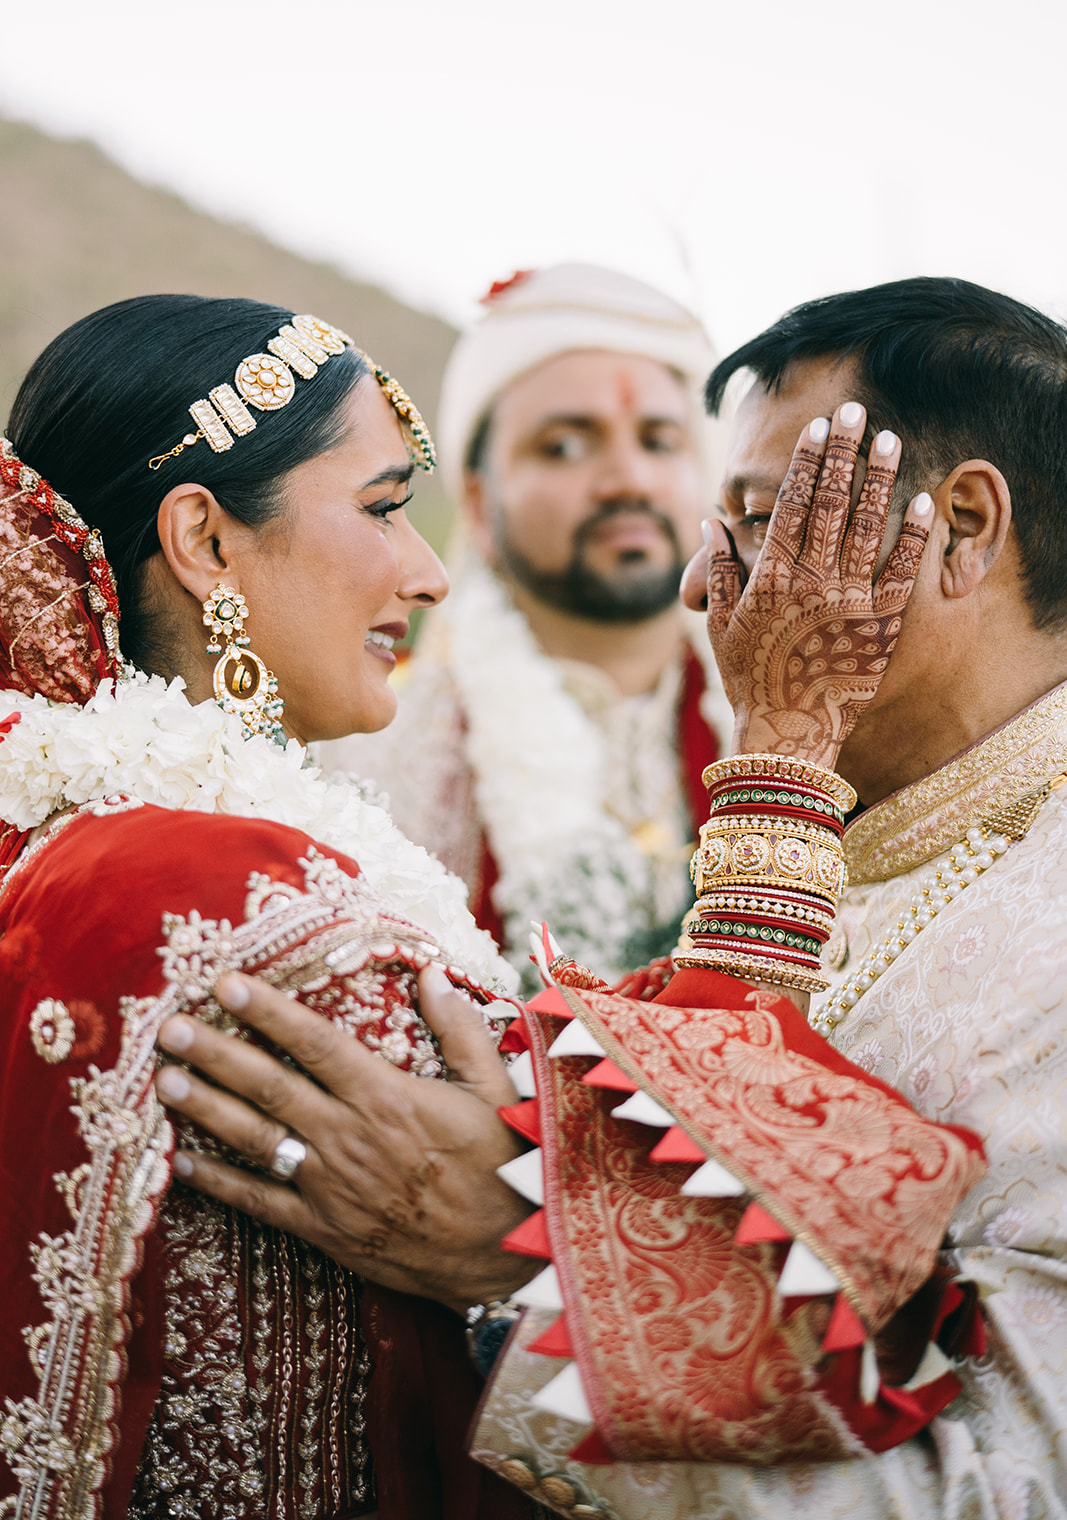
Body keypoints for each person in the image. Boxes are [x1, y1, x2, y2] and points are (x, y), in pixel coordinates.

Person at [159, 278, 1066, 1519]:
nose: (702, 589)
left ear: (963, 527)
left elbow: (1000, 1493)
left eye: (755, 522)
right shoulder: (866, 830)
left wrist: (513, 1261)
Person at [0, 297, 546, 1520]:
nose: (430, 569)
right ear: (202, 538)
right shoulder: (270, 924)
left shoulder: (49, 827)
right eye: (383, 506)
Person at [318, 263, 733, 984]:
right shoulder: (361, 760)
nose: (628, 479)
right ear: (477, 502)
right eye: (564, 446)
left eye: (660, 441)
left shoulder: (790, 726)